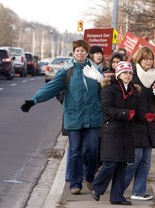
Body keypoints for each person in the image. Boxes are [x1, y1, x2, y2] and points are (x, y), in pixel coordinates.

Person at [20, 39, 104, 195]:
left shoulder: (94, 70)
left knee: (93, 150)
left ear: (87, 53)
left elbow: (105, 91)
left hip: (93, 116)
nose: (80, 53)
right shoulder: (67, 70)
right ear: (73, 53)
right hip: (74, 116)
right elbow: (51, 87)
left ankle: (90, 176)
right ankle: (75, 182)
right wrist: (34, 100)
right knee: (75, 151)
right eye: (77, 50)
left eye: (83, 51)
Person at [85, 61, 141, 205]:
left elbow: (137, 111)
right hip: (112, 130)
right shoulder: (110, 89)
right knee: (111, 162)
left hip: (127, 132)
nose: (128, 75)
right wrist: (125, 113)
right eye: (125, 72)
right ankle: (97, 187)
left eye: (130, 73)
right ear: (119, 74)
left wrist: (146, 116)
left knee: (122, 165)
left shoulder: (134, 91)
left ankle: (117, 196)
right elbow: (106, 109)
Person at [125, 46, 155, 201]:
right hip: (135, 122)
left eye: (150, 59)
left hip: (150, 122)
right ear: (139, 59)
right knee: (135, 158)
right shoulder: (132, 75)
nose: (148, 61)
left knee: (146, 161)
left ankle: (139, 191)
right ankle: (119, 186)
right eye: (145, 58)